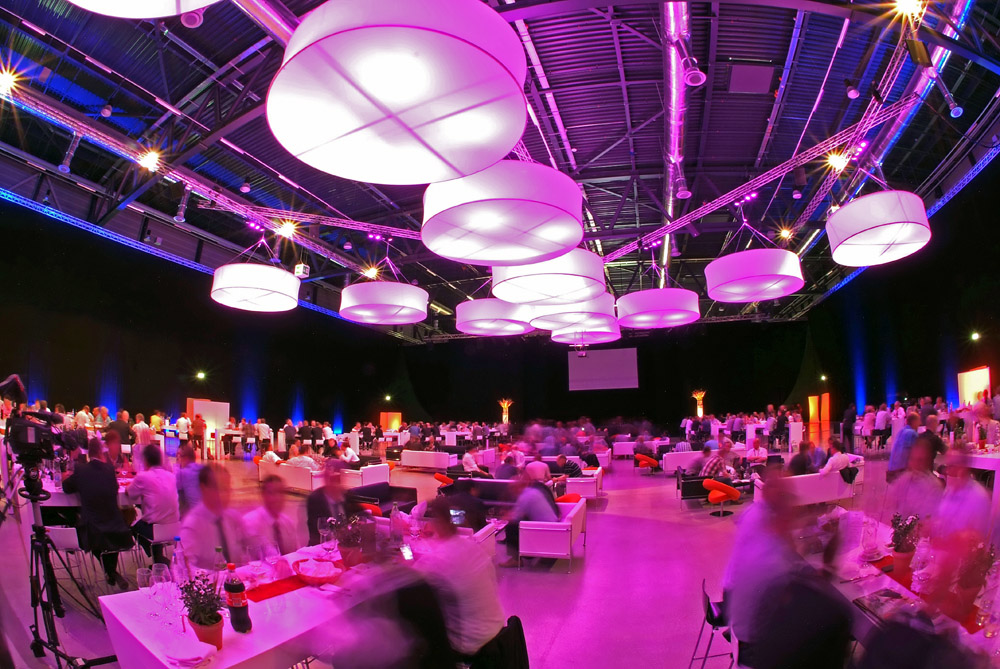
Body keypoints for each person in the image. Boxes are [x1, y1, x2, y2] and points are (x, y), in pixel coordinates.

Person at [415, 497, 505, 659]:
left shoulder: (438, 558)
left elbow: (408, 581)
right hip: (496, 633)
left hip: (468, 645)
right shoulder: (472, 546)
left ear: (436, 521)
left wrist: (399, 557)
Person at [62, 437, 133, 588]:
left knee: (89, 533)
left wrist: (64, 476)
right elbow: (114, 488)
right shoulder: (109, 469)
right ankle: (111, 571)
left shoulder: (81, 469)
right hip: (115, 525)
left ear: (88, 453)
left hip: (92, 529)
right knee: (109, 539)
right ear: (101, 452)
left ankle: (109, 571)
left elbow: (67, 488)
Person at [180, 465, 248, 568]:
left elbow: (252, 548)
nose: (225, 494)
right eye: (219, 488)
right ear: (203, 488)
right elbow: (184, 568)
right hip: (209, 578)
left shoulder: (232, 517)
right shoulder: (193, 525)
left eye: (227, 488)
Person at [127, 444, 180, 564]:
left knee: (133, 526)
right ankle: (158, 558)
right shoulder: (171, 476)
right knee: (156, 516)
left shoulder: (143, 476)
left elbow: (130, 494)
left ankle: (157, 558)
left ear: (145, 460)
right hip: (175, 526)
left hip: (155, 530)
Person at [933, 445, 990, 542]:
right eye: (947, 466)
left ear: (964, 467)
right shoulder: (950, 490)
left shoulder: (979, 498)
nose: (947, 471)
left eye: (952, 466)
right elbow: (942, 520)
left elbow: (978, 539)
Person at [499, 477, 559, 568]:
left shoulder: (525, 497)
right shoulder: (533, 492)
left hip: (545, 531)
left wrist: (504, 517)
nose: (511, 491)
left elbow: (515, 517)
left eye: (512, 488)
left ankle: (516, 560)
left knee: (511, 527)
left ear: (517, 487)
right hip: (553, 527)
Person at [886, 439, 943, 524]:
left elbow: (926, 522)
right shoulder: (904, 480)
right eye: (912, 459)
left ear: (927, 462)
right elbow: (889, 507)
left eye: (920, 460)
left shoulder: (934, 487)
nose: (915, 464)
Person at [243, 476, 301, 554]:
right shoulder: (251, 522)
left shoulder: (287, 522)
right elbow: (267, 555)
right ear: (263, 495)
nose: (278, 498)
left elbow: (297, 552)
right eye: (272, 493)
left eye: (281, 493)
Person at [307, 460, 347, 545]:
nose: (333, 484)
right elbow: (317, 530)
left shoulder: (346, 495)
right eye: (330, 479)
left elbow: (361, 515)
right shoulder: (316, 499)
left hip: (345, 543)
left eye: (336, 480)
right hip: (322, 546)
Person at [888, 412, 921, 482]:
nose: (920, 424)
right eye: (918, 421)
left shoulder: (901, 431)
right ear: (914, 422)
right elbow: (915, 455)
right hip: (901, 472)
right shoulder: (912, 434)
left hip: (892, 470)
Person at [175, 444, 203, 516]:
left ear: (185, 458)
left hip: (194, 516)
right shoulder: (202, 468)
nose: (177, 459)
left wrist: (176, 466)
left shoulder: (182, 473)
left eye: (178, 456)